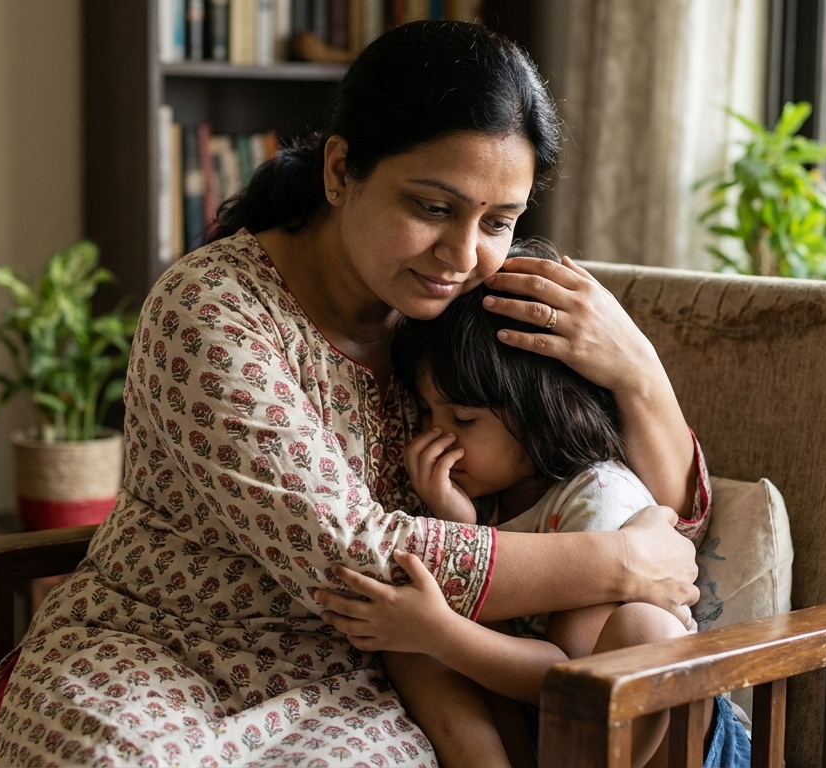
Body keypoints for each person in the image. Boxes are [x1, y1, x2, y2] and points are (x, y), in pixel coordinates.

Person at [0, 20, 710, 767]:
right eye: (434, 207)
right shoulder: (212, 309)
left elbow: (665, 523)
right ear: (341, 171)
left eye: (499, 221)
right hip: (155, 647)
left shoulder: (475, 317)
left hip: (363, 674)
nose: (464, 253)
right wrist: (622, 561)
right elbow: (349, 558)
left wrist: (638, 371)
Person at [313, 240, 750, 768]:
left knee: (644, 630)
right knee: (410, 643)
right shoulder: (494, 494)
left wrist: (443, 631)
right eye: (429, 415)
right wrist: (458, 525)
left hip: (647, 737)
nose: (437, 438)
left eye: (464, 420)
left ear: (545, 411)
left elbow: (571, 675)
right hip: (549, 727)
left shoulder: (599, 498)